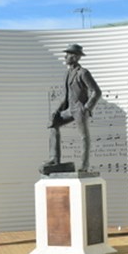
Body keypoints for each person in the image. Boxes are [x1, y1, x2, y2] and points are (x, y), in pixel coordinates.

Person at [46, 43, 101, 172]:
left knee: (84, 136)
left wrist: (87, 108)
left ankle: (84, 165)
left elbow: (96, 92)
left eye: (68, 54)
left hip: (80, 109)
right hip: (70, 109)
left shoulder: (83, 73)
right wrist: (56, 111)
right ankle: (54, 159)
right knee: (53, 124)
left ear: (75, 57)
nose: (65, 56)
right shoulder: (67, 74)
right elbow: (65, 97)